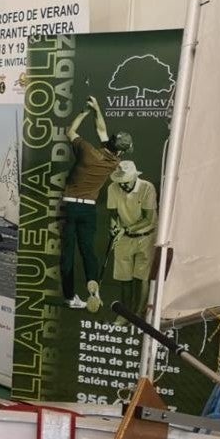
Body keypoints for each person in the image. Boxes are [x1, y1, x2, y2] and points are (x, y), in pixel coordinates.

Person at [60, 96, 133, 312]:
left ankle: (70, 297)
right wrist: (98, 109)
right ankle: (94, 286)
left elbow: (70, 132)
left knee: (68, 253)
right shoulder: (114, 162)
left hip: (69, 206)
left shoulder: (86, 150)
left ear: (110, 141)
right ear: (121, 151)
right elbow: (101, 129)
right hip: (88, 208)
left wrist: (86, 110)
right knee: (88, 250)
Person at [106, 160, 157, 320]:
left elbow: (148, 219)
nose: (123, 186)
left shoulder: (147, 188)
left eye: (126, 182)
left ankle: (137, 316)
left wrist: (126, 229)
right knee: (124, 278)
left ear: (134, 177)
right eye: (120, 183)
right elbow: (113, 214)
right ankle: (124, 315)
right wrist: (114, 228)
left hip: (146, 237)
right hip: (124, 238)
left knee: (141, 278)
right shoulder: (112, 188)